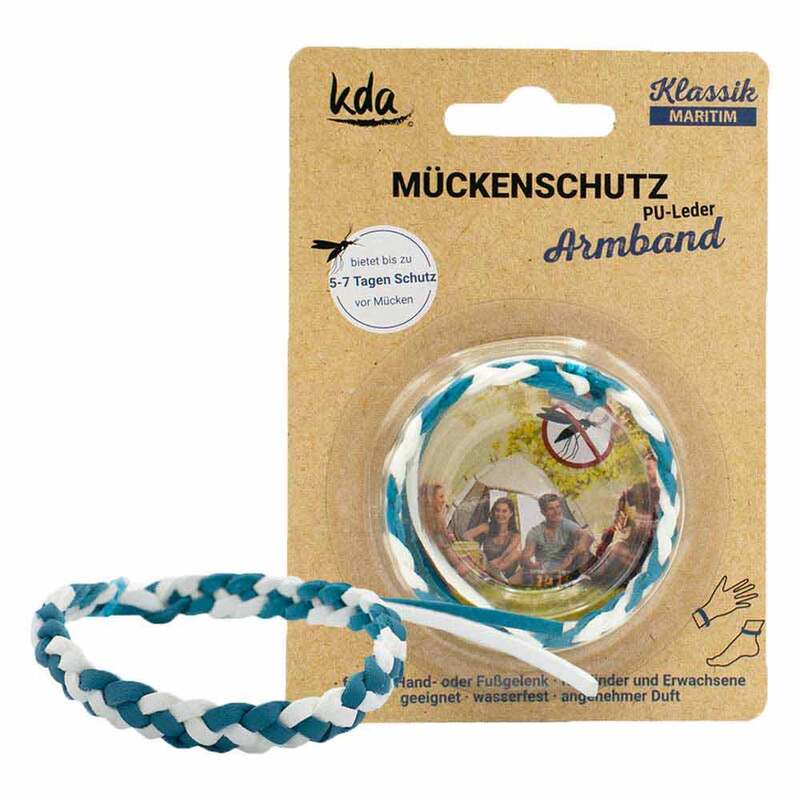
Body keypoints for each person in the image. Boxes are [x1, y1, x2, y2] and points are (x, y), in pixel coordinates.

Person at [594, 453, 661, 584]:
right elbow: (623, 499)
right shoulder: (640, 488)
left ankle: (636, 577)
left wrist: (649, 524)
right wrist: (619, 514)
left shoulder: (664, 493)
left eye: (650, 468)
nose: (646, 472)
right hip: (635, 542)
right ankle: (597, 579)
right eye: (645, 468)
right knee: (616, 548)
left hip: (654, 543)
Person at [521, 494, 594, 578]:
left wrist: (572, 554)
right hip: (547, 572)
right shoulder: (535, 532)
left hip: (569, 569)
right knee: (521, 574)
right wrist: (531, 564)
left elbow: (588, 537)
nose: (556, 511)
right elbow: (526, 556)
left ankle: (580, 577)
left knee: (584, 552)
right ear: (543, 512)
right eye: (551, 509)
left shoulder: (567, 525)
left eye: (558, 507)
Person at [461, 497, 522, 581]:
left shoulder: (515, 535)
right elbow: (466, 535)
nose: (500, 514)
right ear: (493, 512)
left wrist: (496, 562)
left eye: (504, 511)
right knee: (471, 553)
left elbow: (507, 553)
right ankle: (485, 573)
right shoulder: (487, 527)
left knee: (516, 553)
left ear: (511, 513)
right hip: (486, 564)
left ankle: (489, 574)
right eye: (497, 510)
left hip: (502, 568)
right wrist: (480, 552)